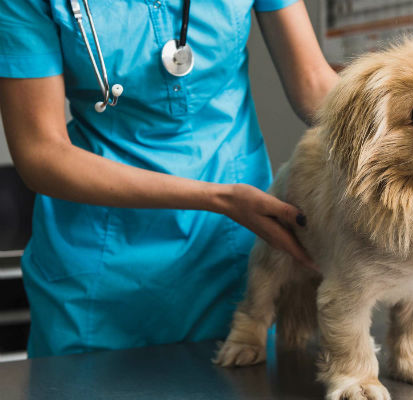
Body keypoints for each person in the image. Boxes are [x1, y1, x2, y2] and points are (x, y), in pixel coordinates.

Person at [0, 0, 337, 358]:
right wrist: (219, 199)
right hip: (100, 257)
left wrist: (384, 116)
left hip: (235, 243)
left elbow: (313, 82)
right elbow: (41, 153)